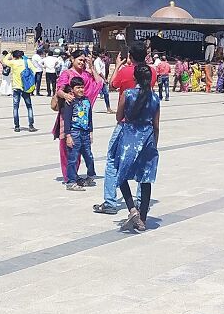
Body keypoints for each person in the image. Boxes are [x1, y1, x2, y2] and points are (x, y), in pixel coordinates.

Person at [93, 41, 156, 215]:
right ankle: (141, 201)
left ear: (130, 56)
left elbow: (112, 85)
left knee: (113, 159)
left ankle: (110, 201)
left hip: (125, 123)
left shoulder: (126, 71)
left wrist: (118, 65)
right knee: (143, 163)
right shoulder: (152, 71)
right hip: (145, 125)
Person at [109, 62, 160, 232]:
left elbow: (119, 117)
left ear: (134, 77)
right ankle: (143, 219)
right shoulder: (155, 98)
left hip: (129, 137)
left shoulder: (128, 94)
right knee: (146, 178)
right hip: (148, 138)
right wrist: (154, 144)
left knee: (121, 173)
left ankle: (131, 208)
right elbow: (156, 125)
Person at [53, 50, 102, 183]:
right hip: (68, 114)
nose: (82, 62)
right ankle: (69, 177)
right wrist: (66, 95)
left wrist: (91, 67)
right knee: (67, 146)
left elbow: (99, 83)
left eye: (84, 60)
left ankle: (74, 174)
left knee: (79, 148)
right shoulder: (66, 74)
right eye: (80, 60)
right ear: (72, 59)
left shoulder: (86, 74)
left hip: (82, 116)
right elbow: (59, 90)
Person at [62, 77, 96, 190]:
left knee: (89, 156)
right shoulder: (70, 101)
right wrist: (68, 135)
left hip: (85, 132)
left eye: (82, 87)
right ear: (72, 89)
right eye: (78, 88)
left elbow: (90, 117)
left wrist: (91, 131)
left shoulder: (86, 101)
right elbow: (67, 120)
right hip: (74, 132)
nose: (81, 89)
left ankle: (90, 176)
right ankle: (71, 181)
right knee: (73, 157)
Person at [2, 49, 37, 131]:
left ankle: (17, 126)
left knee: (15, 107)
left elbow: (4, 61)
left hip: (16, 87)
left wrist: (9, 53)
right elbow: (34, 71)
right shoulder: (27, 61)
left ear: (14, 56)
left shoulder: (13, 62)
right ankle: (31, 125)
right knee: (29, 107)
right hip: (26, 87)